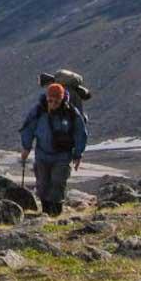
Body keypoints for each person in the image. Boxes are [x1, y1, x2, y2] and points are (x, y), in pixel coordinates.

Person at [20, 82, 87, 216]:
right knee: (42, 185)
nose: (53, 104)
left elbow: (80, 133)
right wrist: (26, 148)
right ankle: (46, 213)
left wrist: (78, 154)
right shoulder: (38, 111)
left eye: (57, 101)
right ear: (47, 98)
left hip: (62, 156)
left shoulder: (71, 113)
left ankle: (55, 214)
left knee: (58, 182)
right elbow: (28, 128)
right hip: (42, 155)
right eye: (51, 100)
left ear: (62, 99)